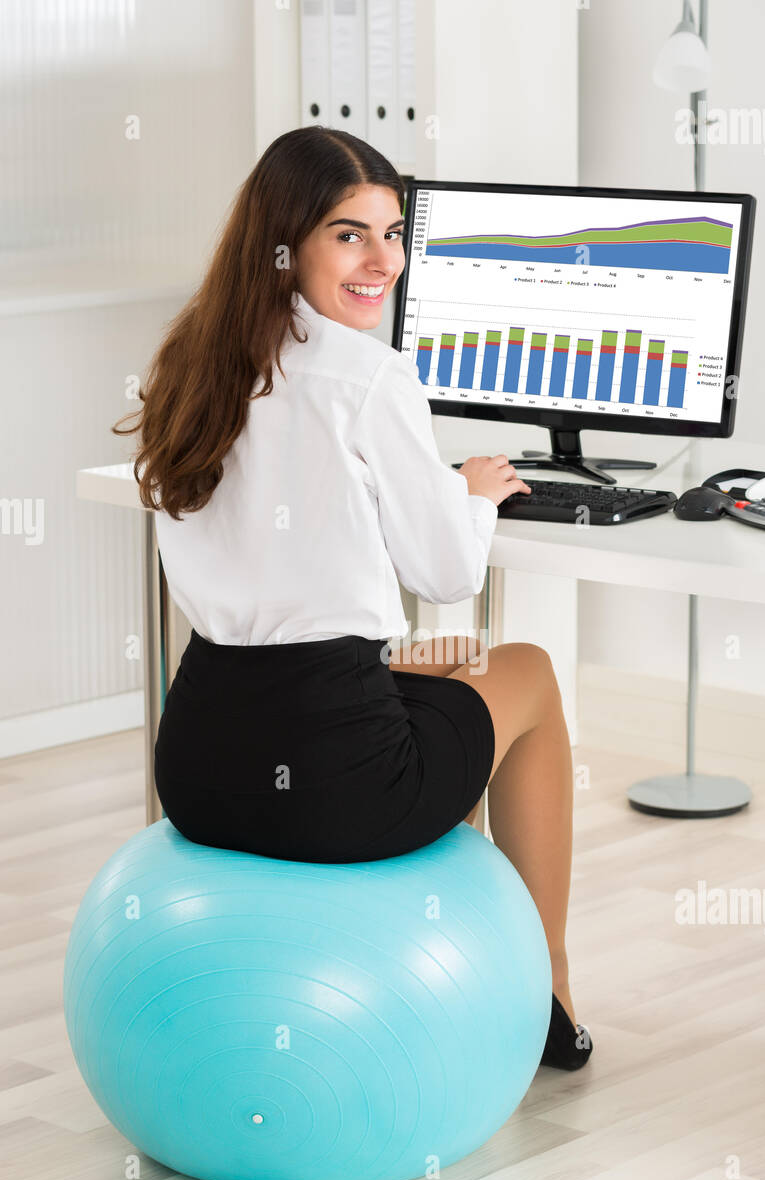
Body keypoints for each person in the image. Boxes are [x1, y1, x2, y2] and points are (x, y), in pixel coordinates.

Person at [112, 126, 591, 1074]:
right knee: (523, 674)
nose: (384, 262)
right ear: (285, 242)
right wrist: (471, 494)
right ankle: (547, 984)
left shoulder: (189, 360)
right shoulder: (369, 377)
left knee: (436, 671)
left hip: (203, 765)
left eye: (394, 231)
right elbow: (447, 576)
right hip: (331, 786)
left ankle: (454, 970)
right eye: (349, 235)